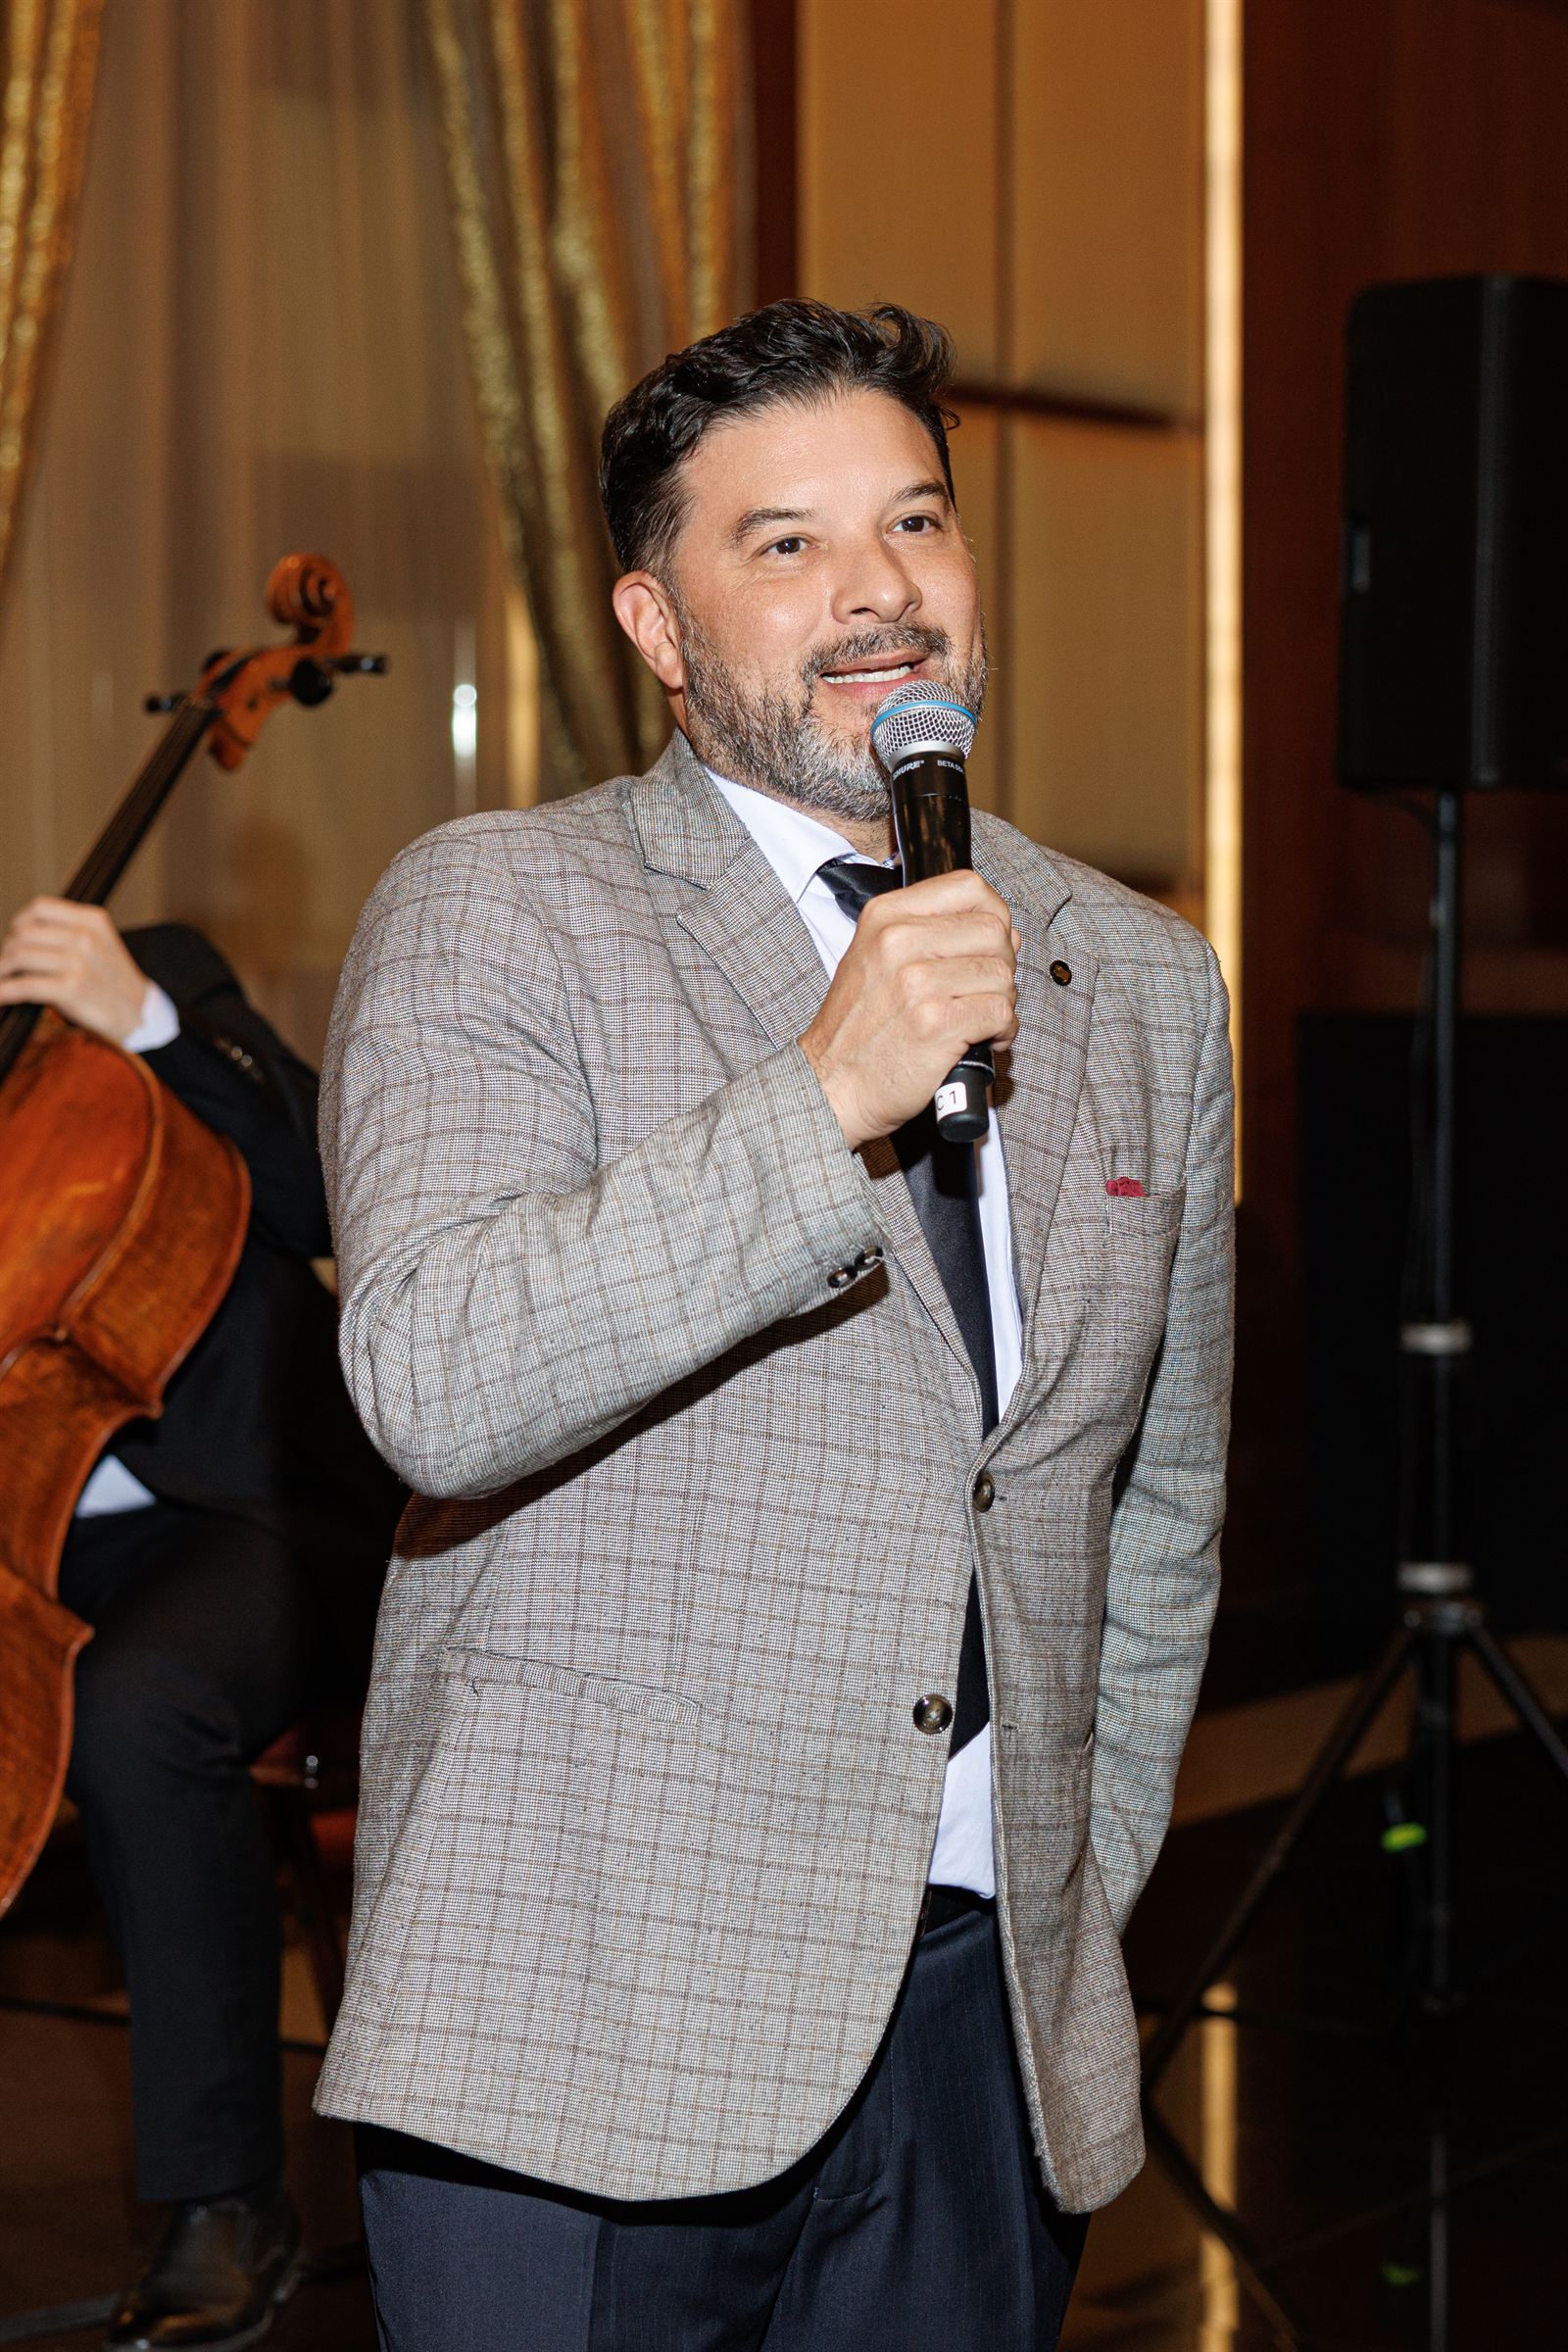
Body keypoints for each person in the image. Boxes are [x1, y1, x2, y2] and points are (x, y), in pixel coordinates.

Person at [316, 299, 1234, 2350]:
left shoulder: (1138, 975)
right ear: (657, 626)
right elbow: (435, 1378)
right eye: (788, 543)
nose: (878, 592)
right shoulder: (501, 907)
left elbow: (1154, 1507)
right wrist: (823, 1096)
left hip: (980, 2031)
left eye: (914, 521)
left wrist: (1067, 1880)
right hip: (581, 2019)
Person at [0, 900, 403, 2352]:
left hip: (251, 1514)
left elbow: (335, 1196)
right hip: (30, 1536)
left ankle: (227, 2204)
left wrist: (151, 1024)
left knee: (141, 1700)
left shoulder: (148, 976)